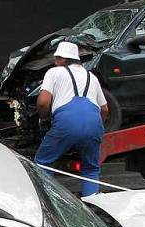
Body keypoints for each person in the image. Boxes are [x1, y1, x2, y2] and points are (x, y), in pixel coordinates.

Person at [33, 41, 108, 197]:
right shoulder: (91, 77)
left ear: (62, 59)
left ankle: (48, 204)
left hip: (66, 123)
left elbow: (43, 102)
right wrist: (96, 129)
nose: (54, 62)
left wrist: (45, 118)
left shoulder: (54, 73)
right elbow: (104, 109)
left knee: (44, 164)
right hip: (94, 124)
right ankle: (92, 208)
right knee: (91, 169)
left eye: (56, 59)